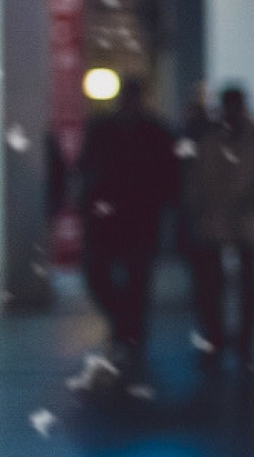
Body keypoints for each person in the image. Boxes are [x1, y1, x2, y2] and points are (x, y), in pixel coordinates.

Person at [181, 85, 254, 369]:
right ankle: (218, 333)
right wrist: (198, 204)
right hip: (215, 218)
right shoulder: (214, 137)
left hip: (243, 218)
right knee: (215, 282)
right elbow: (193, 176)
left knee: (244, 282)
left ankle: (242, 336)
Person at [75, 78, 179, 365]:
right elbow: (87, 165)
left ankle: (129, 329)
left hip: (137, 215)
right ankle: (126, 325)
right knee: (101, 274)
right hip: (113, 215)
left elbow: (169, 174)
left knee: (135, 278)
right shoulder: (111, 129)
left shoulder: (153, 131)